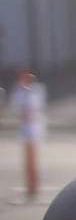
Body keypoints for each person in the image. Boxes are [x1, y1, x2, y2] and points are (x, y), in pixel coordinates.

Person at [8, 67, 43, 203]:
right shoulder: (20, 91)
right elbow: (16, 107)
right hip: (26, 130)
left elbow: (35, 108)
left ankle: (34, 186)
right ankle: (30, 186)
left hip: (33, 130)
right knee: (28, 161)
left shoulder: (35, 91)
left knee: (33, 161)